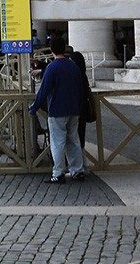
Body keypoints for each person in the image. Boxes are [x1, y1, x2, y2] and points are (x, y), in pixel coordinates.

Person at [29, 38, 86, 183]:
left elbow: (44, 90)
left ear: (52, 50)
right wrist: (79, 107)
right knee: (73, 140)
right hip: (74, 109)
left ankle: (58, 173)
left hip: (57, 110)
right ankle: (77, 171)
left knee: (57, 142)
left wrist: (34, 107)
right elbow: (80, 89)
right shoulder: (73, 66)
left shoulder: (52, 68)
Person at [68, 50, 96, 170]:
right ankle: (83, 165)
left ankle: (79, 167)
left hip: (77, 111)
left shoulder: (75, 76)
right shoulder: (82, 74)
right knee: (80, 139)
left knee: (75, 139)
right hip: (83, 110)